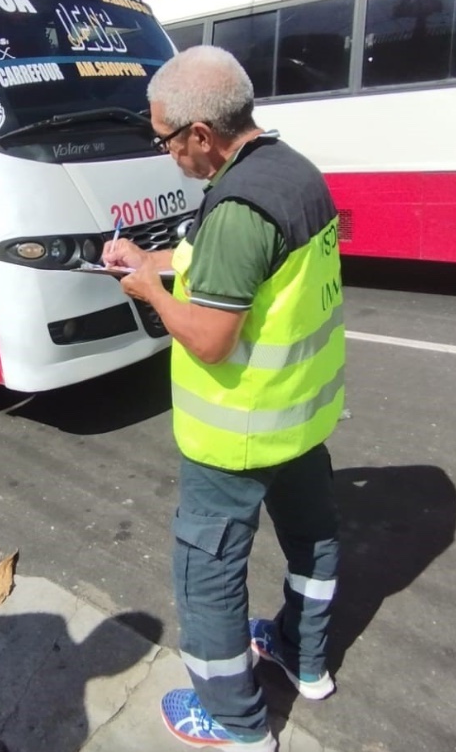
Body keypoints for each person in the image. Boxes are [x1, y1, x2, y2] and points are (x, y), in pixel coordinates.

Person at [104, 46, 346, 751]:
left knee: (206, 573)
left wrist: (148, 290)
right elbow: (242, 270)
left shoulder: (237, 205)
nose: (166, 153)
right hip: (301, 418)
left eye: (164, 140)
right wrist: (154, 260)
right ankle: (305, 661)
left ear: (200, 134)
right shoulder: (293, 172)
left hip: (236, 433)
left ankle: (235, 723)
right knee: (313, 540)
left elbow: (208, 337)